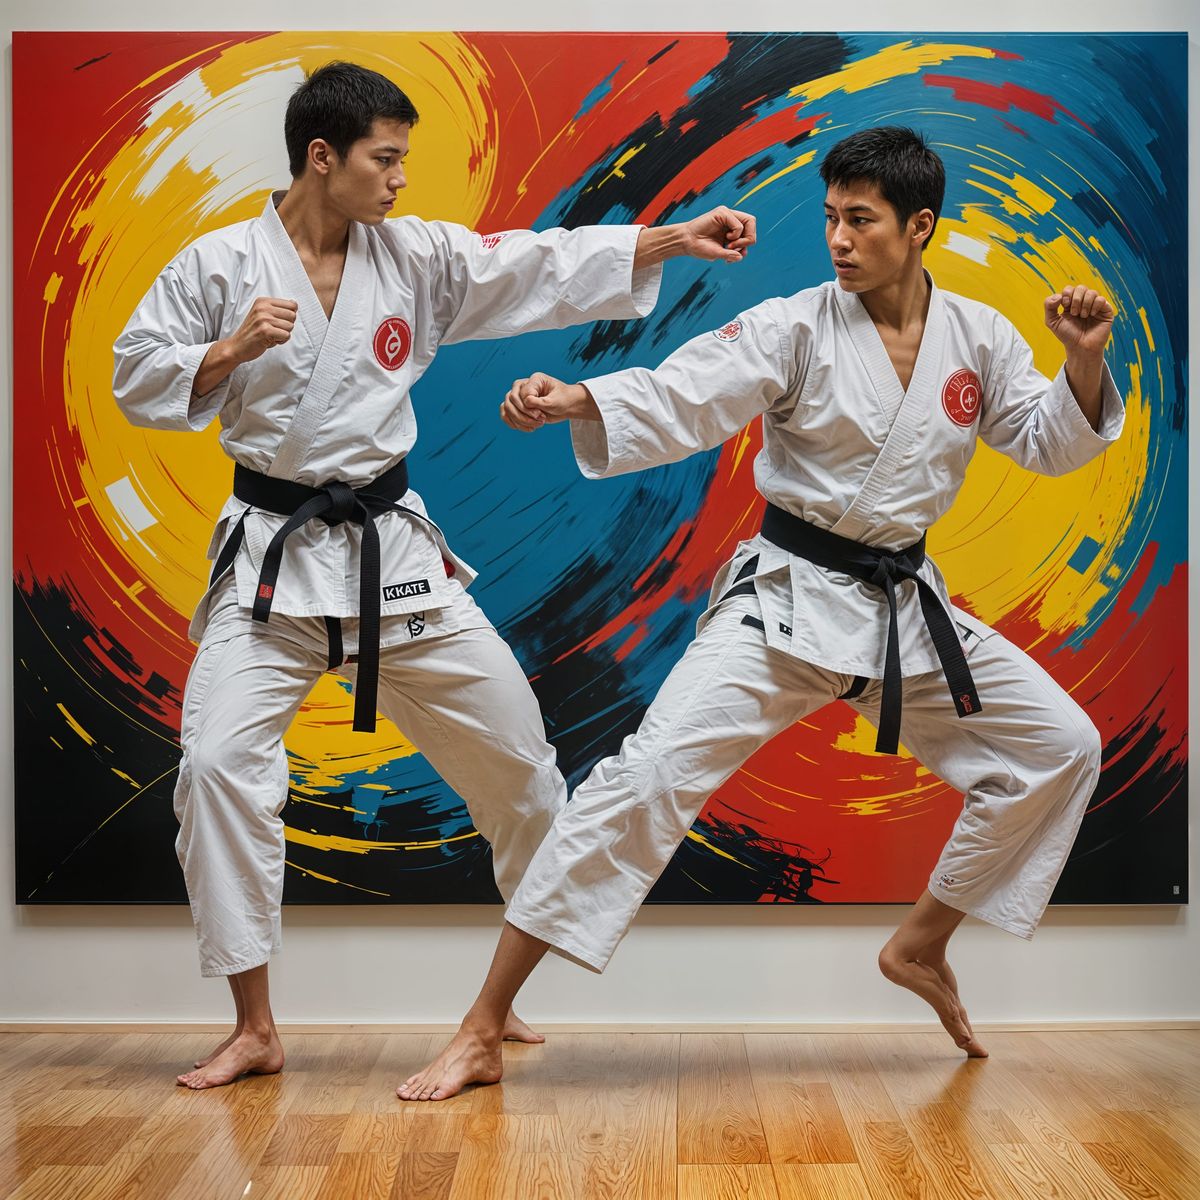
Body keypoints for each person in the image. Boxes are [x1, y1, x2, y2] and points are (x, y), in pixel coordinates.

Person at [397, 125, 1123, 1102]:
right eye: (831, 218)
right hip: (785, 603)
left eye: (861, 220)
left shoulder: (979, 338)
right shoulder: (795, 326)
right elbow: (687, 395)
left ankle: (920, 943)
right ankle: (483, 1027)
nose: (839, 239)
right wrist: (578, 399)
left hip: (902, 611)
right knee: (643, 778)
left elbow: (1047, 441)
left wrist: (1084, 363)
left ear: (919, 227)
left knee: (1061, 744)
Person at [112, 60, 756, 1090]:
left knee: (521, 769)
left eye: (403, 158)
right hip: (273, 563)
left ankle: (510, 988)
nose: (400, 177)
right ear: (321, 157)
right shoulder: (219, 263)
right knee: (217, 769)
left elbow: (536, 263)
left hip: (393, 560)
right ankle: (254, 1026)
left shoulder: (414, 257)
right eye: (385, 158)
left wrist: (673, 239)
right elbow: (135, 374)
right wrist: (227, 351)